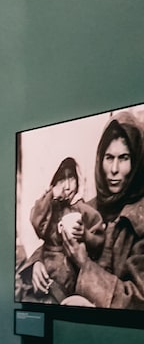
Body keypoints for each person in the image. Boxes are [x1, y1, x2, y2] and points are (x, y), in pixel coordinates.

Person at [58, 116, 144, 309]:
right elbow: (50, 245)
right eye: (109, 158)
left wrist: (84, 264)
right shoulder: (86, 208)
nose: (114, 169)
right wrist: (35, 266)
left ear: (137, 162)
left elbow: (138, 300)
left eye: (124, 158)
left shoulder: (141, 219)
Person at [16, 157, 103, 303]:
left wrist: (86, 235)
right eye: (62, 180)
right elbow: (36, 222)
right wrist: (51, 195)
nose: (67, 186)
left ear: (78, 181)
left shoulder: (83, 209)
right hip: (46, 264)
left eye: (72, 179)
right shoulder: (51, 207)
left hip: (69, 269)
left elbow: (99, 237)